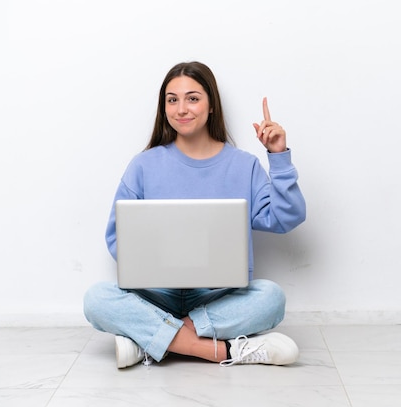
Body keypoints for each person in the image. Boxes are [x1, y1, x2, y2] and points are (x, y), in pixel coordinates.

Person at [83, 61, 306, 369]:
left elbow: (286, 218)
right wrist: (156, 260)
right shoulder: (144, 165)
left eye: (192, 98)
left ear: (211, 104)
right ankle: (220, 351)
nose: (181, 109)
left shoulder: (243, 166)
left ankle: (152, 342)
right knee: (96, 299)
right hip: (156, 295)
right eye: (172, 100)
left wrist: (278, 157)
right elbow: (116, 238)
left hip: (217, 297)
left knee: (272, 297)